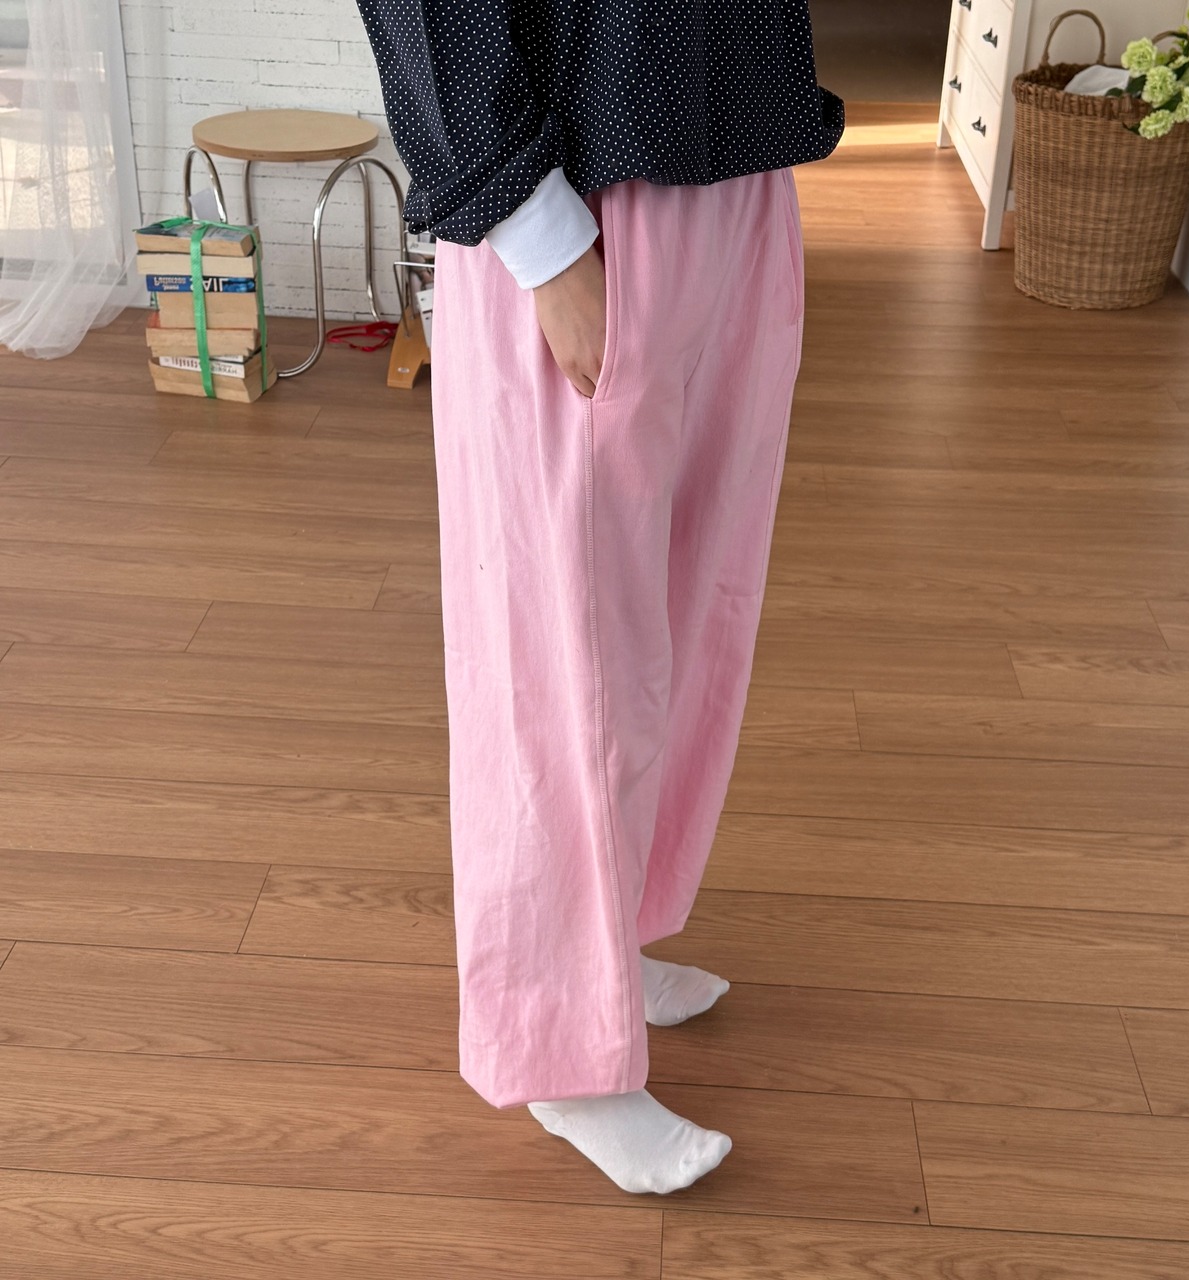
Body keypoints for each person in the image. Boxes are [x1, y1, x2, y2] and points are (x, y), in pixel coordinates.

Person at [356, 0, 844, 1194]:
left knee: (688, 613)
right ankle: (556, 1045)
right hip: (576, 196)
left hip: (733, 155)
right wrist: (531, 230)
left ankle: (603, 950)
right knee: (563, 653)